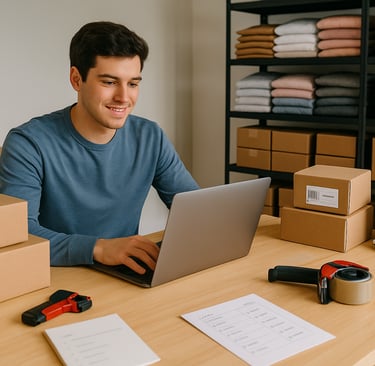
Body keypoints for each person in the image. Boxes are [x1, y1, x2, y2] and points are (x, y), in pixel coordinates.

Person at [0, 21, 199, 274]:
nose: (124, 98)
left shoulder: (150, 136)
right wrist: (99, 248)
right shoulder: (28, 143)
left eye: (133, 83)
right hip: (55, 278)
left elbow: (193, 209)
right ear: (76, 79)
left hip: (124, 277)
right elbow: (20, 235)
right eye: (109, 82)